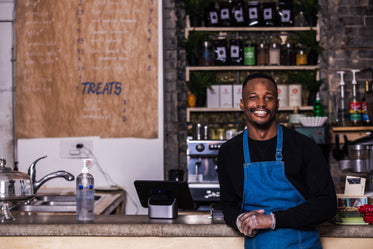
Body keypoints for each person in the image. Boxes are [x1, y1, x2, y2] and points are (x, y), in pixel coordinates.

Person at [217, 73, 337, 249]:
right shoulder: (229, 152)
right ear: (242, 104)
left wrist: (272, 219)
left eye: (268, 97)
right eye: (253, 97)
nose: (261, 104)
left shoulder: (304, 146)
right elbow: (228, 205)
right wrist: (239, 220)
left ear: (277, 104)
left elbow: (326, 204)